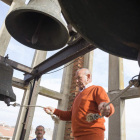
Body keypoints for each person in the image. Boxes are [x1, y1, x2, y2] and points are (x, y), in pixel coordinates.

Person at [44, 68, 115, 140]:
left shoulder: (97, 89)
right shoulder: (78, 95)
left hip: (93, 134)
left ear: (88, 77)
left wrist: (107, 108)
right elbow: (70, 115)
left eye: (79, 78)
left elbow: (108, 106)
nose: (76, 81)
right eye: (76, 78)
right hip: (77, 136)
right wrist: (54, 111)